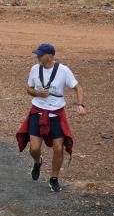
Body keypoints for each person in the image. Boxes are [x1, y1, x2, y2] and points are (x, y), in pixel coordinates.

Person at [16, 44, 87, 193]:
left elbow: (78, 87)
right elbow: (28, 89)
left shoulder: (64, 70)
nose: (37, 57)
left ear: (50, 56)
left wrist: (80, 104)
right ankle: (37, 161)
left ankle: (54, 178)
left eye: (40, 55)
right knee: (34, 148)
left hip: (56, 114)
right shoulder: (35, 69)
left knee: (58, 148)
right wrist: (37, 93)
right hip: (37, 111)